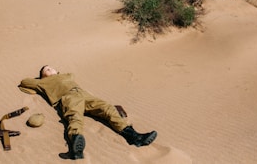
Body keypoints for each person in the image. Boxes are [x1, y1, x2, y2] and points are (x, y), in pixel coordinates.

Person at [18, 65, 157, 159]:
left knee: (108, 109)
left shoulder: (66, 76)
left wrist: (55, 74)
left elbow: (71, 74)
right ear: (43, 76)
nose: (51, 69)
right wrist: (39, 81)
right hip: (68, 97)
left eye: (53, 67)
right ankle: (76, 145)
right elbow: (24, 82)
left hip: (86, 96)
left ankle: (134, 136)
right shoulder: (43, 82)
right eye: (47, 69)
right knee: (75, 117)